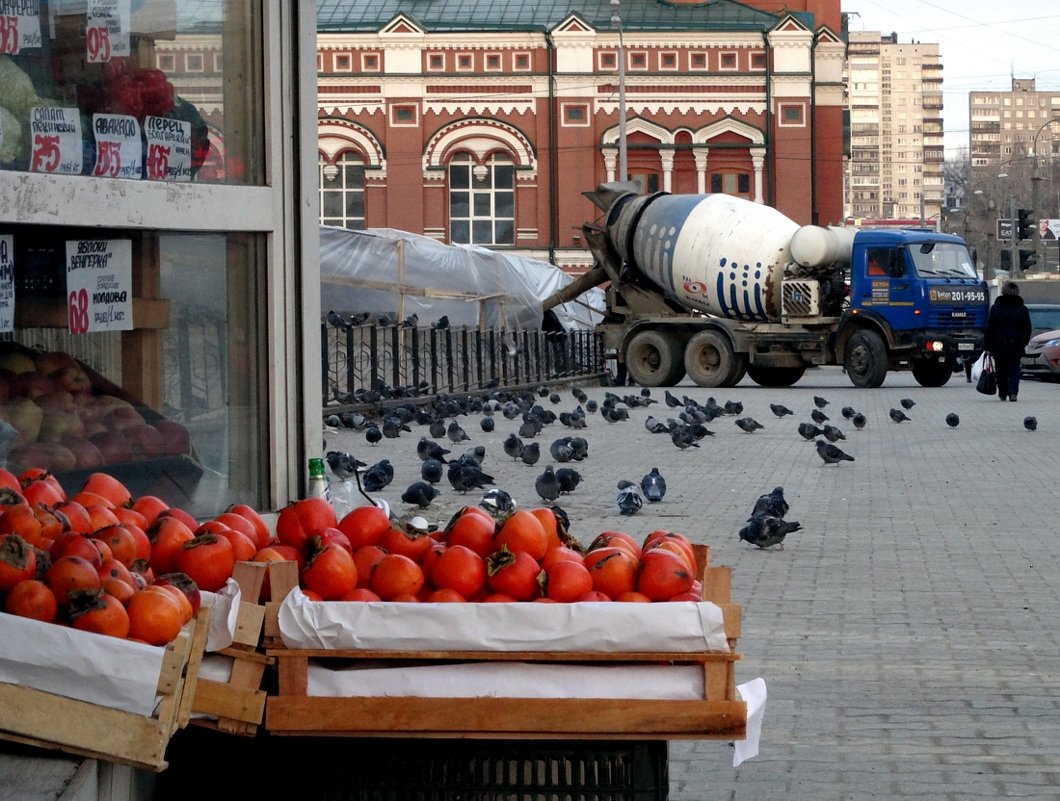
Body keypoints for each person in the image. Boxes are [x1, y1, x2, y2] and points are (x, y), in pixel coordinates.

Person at [983, 281, 1032, 402]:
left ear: (1003, 292)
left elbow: (989, 328)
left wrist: (987, 346)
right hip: (1016, 345)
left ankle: (1003, 393)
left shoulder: (996, 308)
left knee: (1001, 370)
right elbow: (1027, 328)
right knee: (1015, 369)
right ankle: (1013, 392)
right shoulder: (1022, 309)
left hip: (998, 345)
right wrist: (1023, 342)